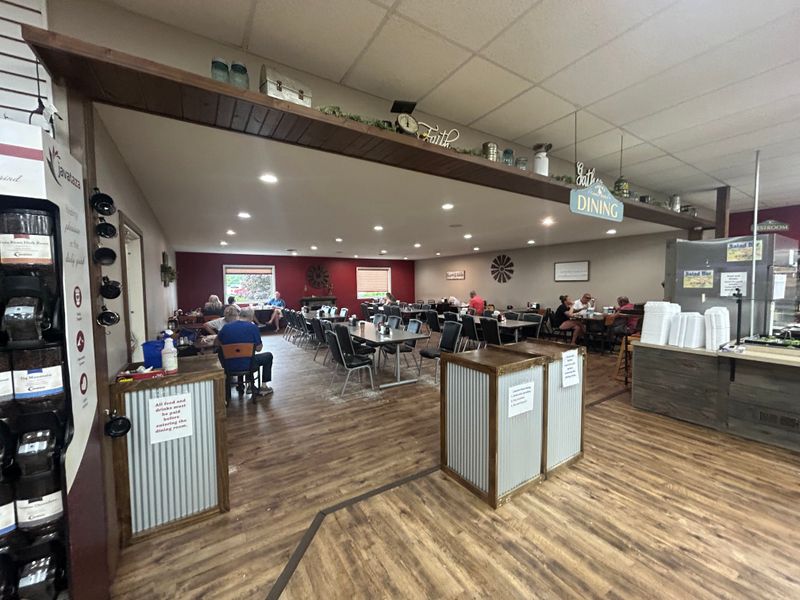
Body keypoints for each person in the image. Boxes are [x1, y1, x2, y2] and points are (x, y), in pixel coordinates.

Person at [217, 307, 274, 395]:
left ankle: (250, 385)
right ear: (251, 317)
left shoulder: (226, 327)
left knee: (248, 357)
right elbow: (259, 349)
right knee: (267, 356)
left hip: (228, 365)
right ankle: (263, 387)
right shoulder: (253, 327)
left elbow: (216, 343)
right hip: (248, 364)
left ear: (239, 315)